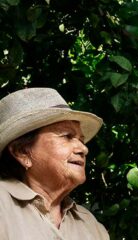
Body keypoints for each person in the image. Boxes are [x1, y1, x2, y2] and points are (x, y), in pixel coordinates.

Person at [0, 88, 109, 239]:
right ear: (22, 152)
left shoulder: (90, 224)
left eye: (81, 140)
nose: (83, 149)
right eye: (67, 136)